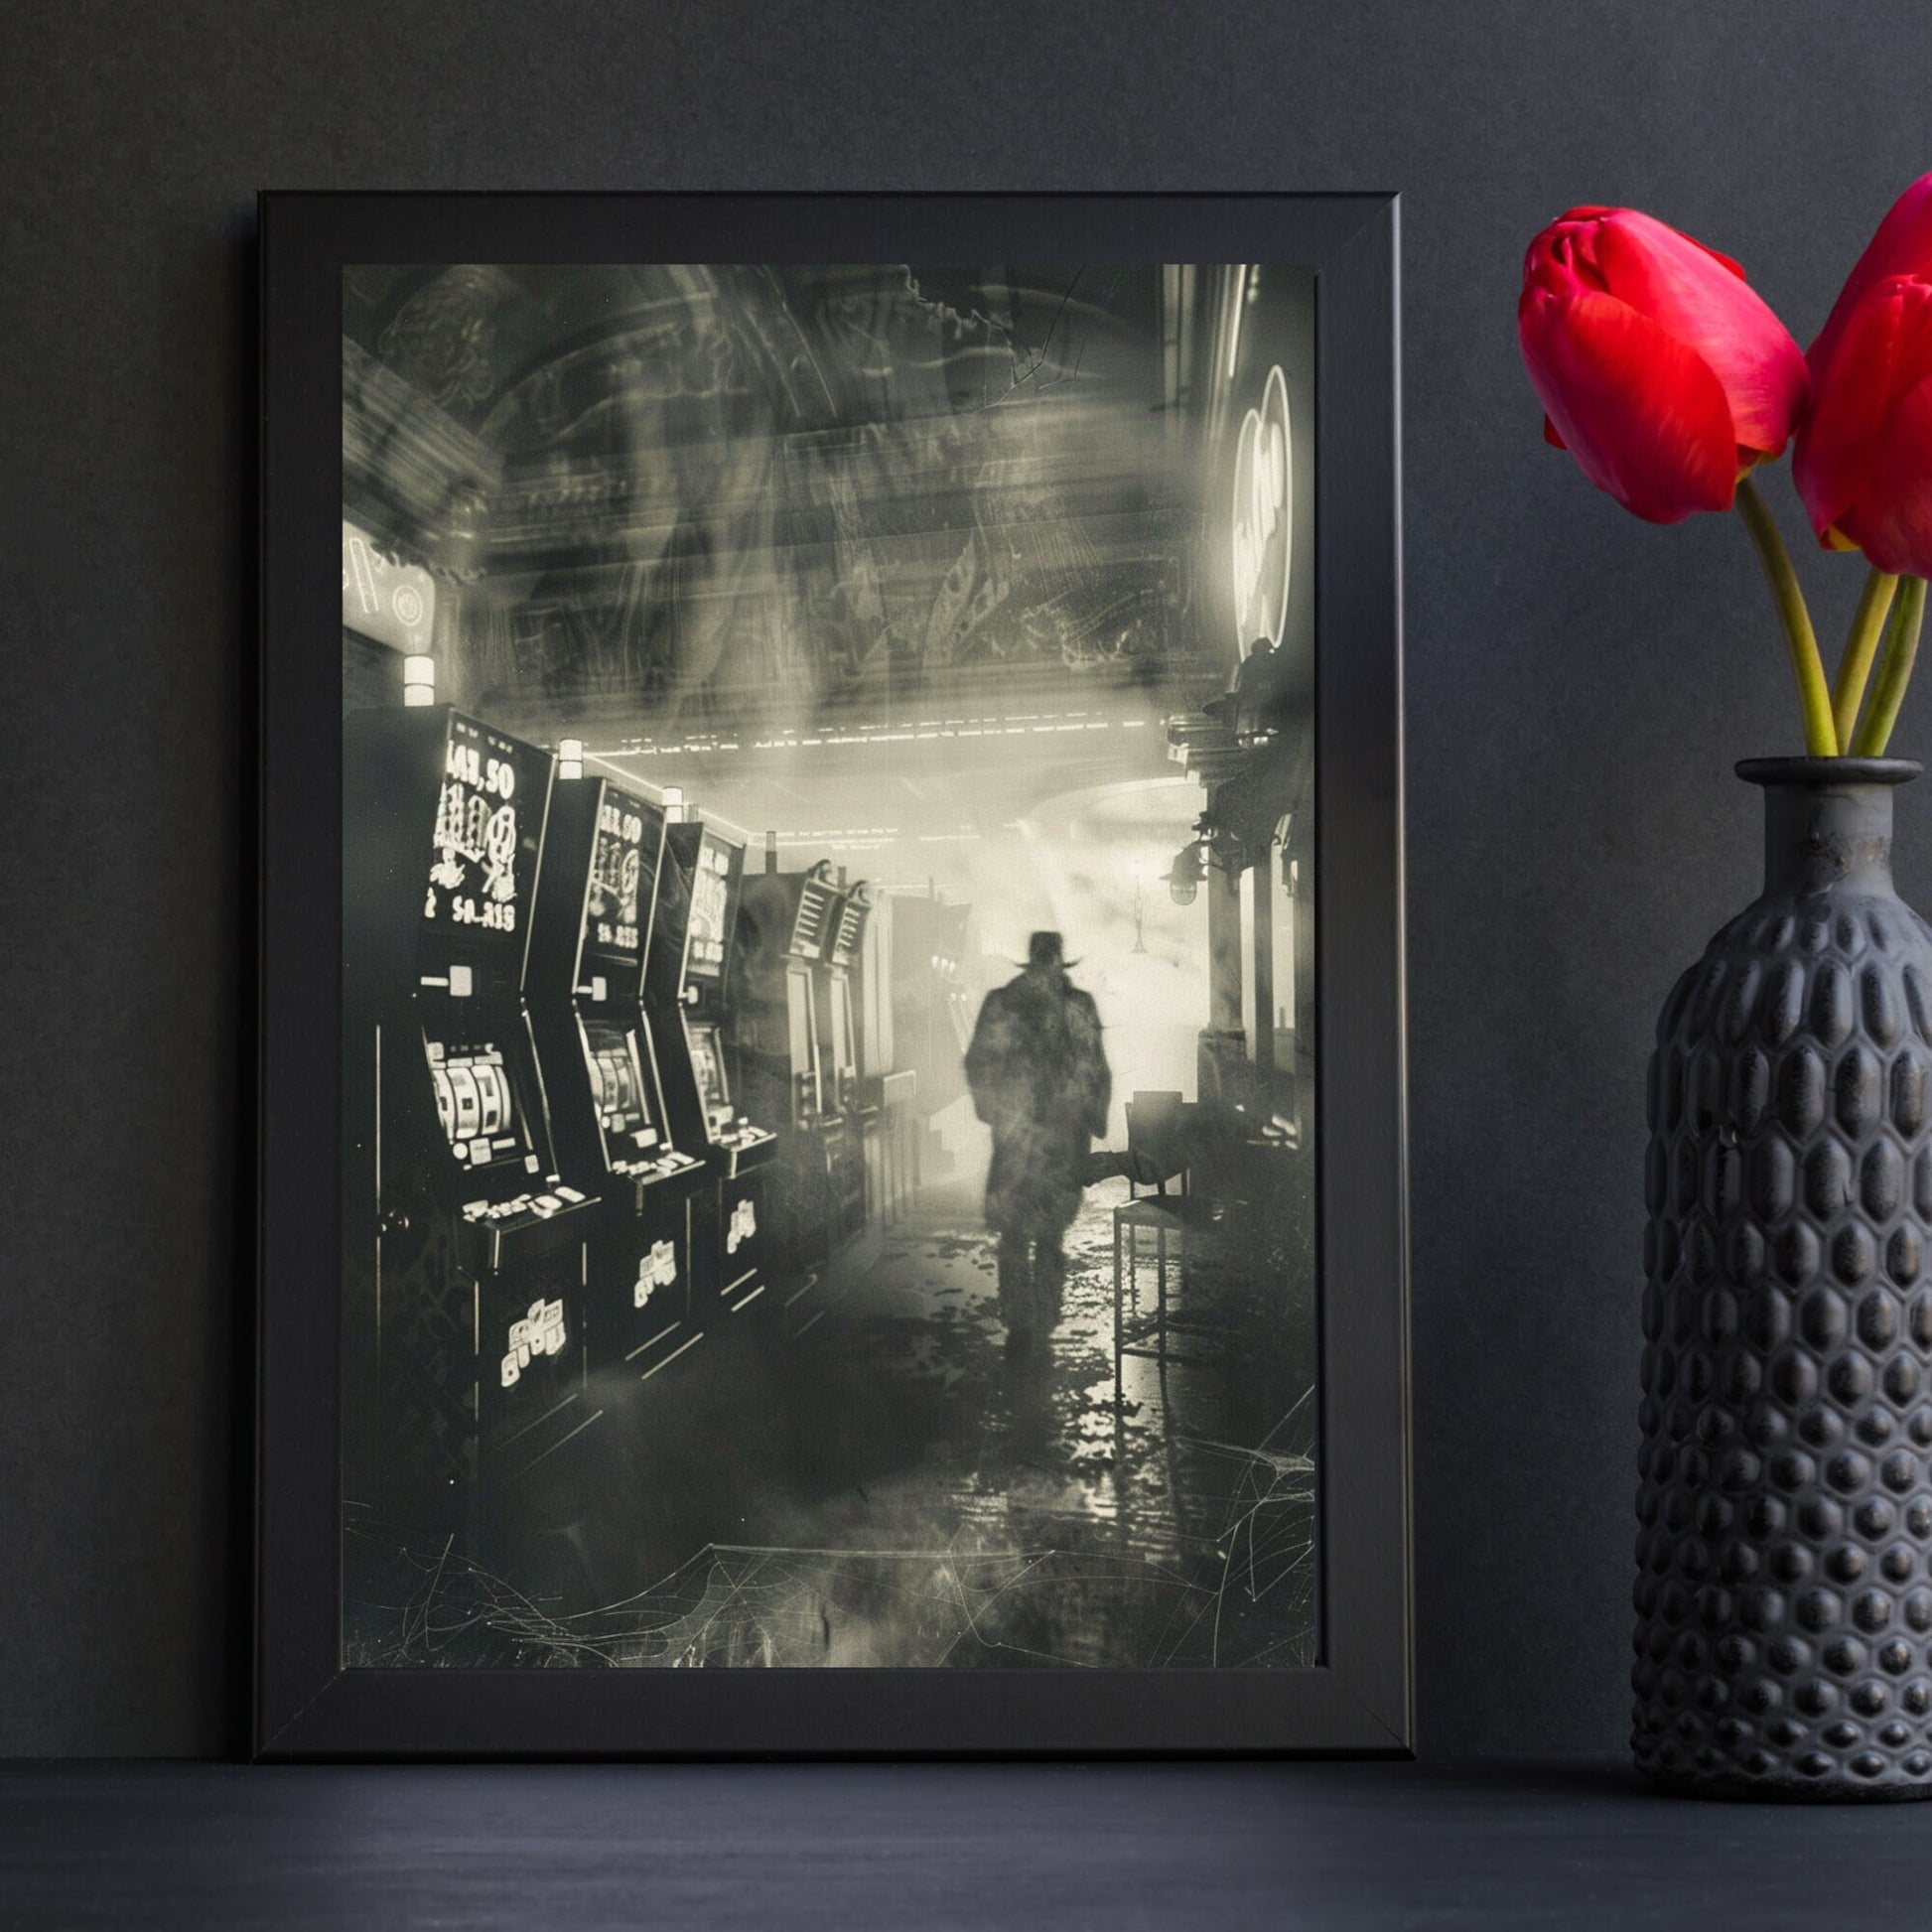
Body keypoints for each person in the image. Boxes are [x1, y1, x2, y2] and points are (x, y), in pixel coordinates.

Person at [964, 930, 1112, 1355]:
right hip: (1061, 1140)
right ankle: (1042, 1320)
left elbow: (978, 1060)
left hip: (1018, 1139)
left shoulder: (1002, 1003)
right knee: (1047, 1234)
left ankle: (1021, 1324)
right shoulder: (1077, 1006)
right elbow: (1095, 1068)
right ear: (1059, 962)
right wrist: (1093, 1118)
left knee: (1017, 1233)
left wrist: (991, 1109)